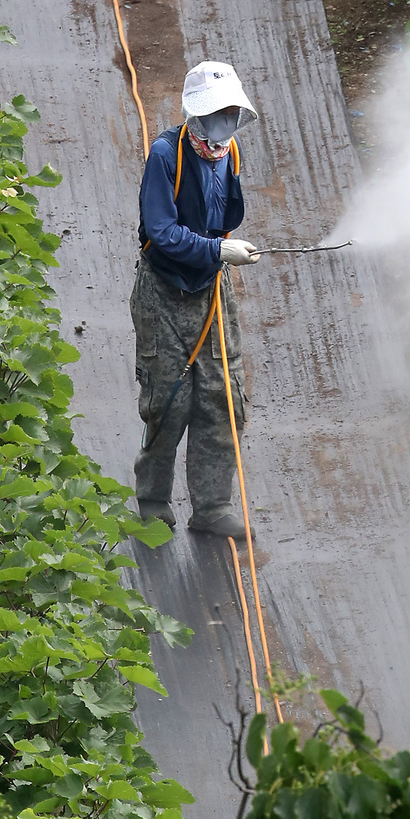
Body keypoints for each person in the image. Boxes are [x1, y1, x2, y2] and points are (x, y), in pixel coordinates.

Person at [131, 61, 261, 538]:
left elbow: (220, 216)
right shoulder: (167, 155)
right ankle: (153, 500)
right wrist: (217, 250)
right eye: (218, 111)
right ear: (198, 114)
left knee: (222, 396)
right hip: (164, 291)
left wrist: (222, 251)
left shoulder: (231, 154)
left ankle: (212, 507)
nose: (226, 120)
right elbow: (161, 231)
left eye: (231, 111)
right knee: (170, 398)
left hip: (211, 289)